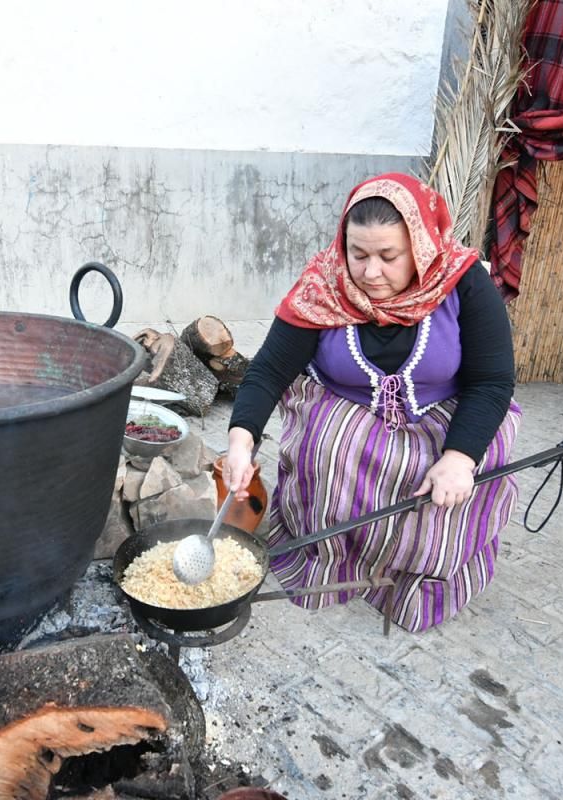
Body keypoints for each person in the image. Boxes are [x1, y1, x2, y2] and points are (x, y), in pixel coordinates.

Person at [222, 173, 519, 633]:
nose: (370, 272)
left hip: (444, 414)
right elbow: (268, 371)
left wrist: (460, 458)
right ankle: (333, 557)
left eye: (389, 256)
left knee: (446, 475)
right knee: (331, 447)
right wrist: (241, 442)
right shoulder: (323, 285)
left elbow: (493, 381)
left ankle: (414, 574)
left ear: (420, 247)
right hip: (349, 410)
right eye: (357, 254)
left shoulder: (464, 284)